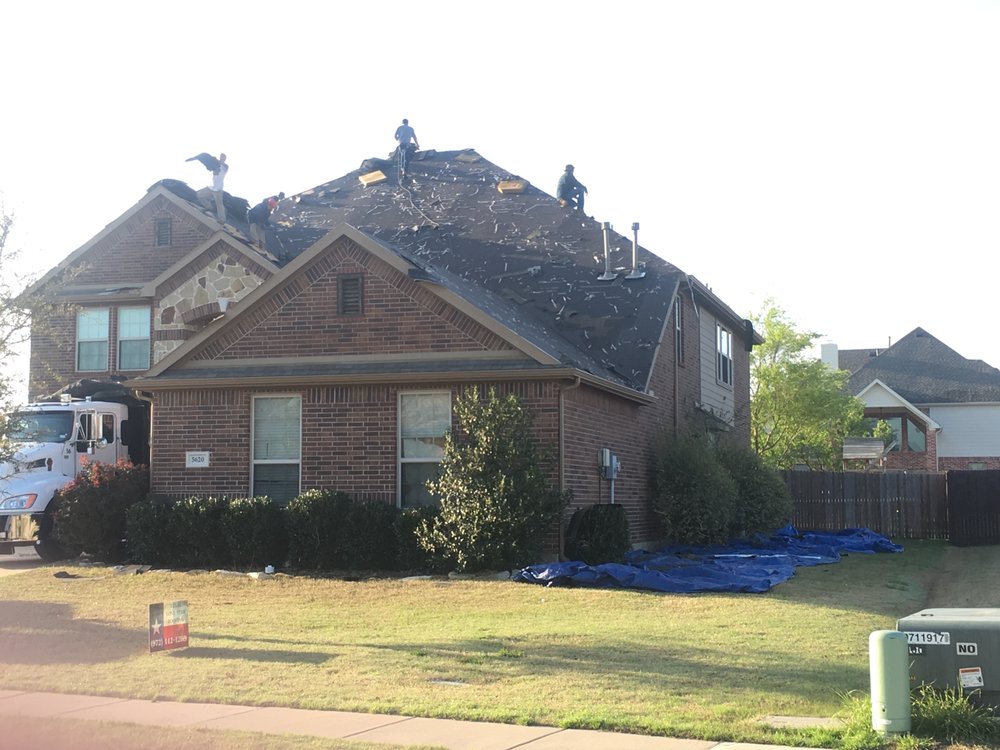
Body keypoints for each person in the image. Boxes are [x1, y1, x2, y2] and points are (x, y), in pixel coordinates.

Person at [210, 153, 229, 223]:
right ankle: (209, 207)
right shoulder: (216, 165)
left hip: (218, 188)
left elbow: (224, 166)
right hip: (212, 187)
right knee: (200, 195)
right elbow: (213, 170)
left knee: (219, 203)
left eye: (223, 158)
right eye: (221, 157)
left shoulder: (225, 166)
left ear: (224, 159)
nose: (221, 158)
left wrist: (218, 161)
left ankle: (222, 219)